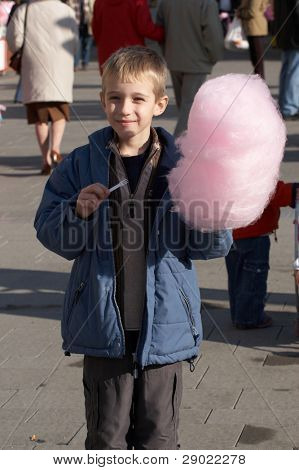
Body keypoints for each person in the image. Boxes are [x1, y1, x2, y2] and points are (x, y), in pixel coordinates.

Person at [34, 46, 232, 450]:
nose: (125, 108)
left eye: (138, 98)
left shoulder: (183, 164)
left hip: (167, 329)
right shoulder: (81, 163)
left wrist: (208, 214)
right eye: (115, 97)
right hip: (103, 325)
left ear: (160, 103)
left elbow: (213, 246)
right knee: (106, 438)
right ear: (102, 99)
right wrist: (79, 212)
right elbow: (50, 230)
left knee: (159, 438)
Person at [6, 0, 78, 175]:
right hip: (61, 65)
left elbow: (14, 40)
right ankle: (55, 148)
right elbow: (75, 42)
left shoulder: (25, 10)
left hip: (35, 66)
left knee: (40, 117)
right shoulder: (66, 10)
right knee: (60, 112)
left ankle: (44, 158)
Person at [225, 180, 299, 329]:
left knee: (237, 277)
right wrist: (291, 192)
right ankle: (250, 317)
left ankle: (239, 314)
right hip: (253, 232)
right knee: (253, 278)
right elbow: (267, 188)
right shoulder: (252, 163)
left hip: (230, 231)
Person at [156, 0, 223, 137]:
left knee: (184, 107)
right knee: (188, 108)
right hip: (197, 60)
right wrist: (213, 57)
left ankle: (186, 144)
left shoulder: (166, 2)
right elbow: (213, 33)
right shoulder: (207, 3)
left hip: (174, 58)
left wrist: (167, 52)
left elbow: (160, 30)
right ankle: (176, 147)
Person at [92, 0, 164, 74]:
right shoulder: (138, 1)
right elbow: (145, 28)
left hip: (107, 56)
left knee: (110, 83)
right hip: (132, 55)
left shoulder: (99, 2)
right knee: (133, 83)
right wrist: (163, 34)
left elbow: (96, 30)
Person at [273, 0, 299, 120]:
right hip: (295, 36)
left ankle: (284, 104)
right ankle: (290, 107)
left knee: (287, 71)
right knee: (294, 72)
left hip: (285, 34)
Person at [237, 0, 270, 79]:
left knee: (257, 58)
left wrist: (240, 13)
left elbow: (252, 11)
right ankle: (259, 79)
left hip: (255, 28)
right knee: (255, 58)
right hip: (252, 28)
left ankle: (260, 81)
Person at [67, 0, 94, 71]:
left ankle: (85, 63)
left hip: (87, 25)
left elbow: (94, 10)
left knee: (87, 45)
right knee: (77, 44)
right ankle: (75, 64)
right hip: (76, 24)